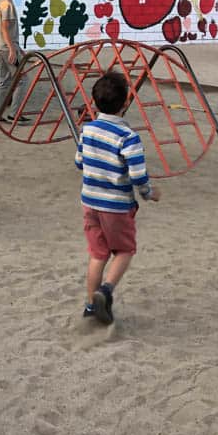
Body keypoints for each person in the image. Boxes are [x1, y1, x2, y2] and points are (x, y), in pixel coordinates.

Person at [75, 70, 161, 324]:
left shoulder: (87, 130)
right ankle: (107, 290)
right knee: (124, 250)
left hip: (90, 202)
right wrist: (149, 193)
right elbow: (138, 174)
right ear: (125, 103)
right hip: (116, 206)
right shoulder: (128, 138)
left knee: (97, 254)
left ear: (94, 102)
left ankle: (91, 305)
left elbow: (79, 162)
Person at [0, 0, 29, 124]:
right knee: (22, 79)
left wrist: (18, 48)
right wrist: (12, 49)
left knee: (4, 80)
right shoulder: (8, 5)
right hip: (6, 48)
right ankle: (14, 114)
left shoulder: (0, 3)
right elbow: (4, 28)